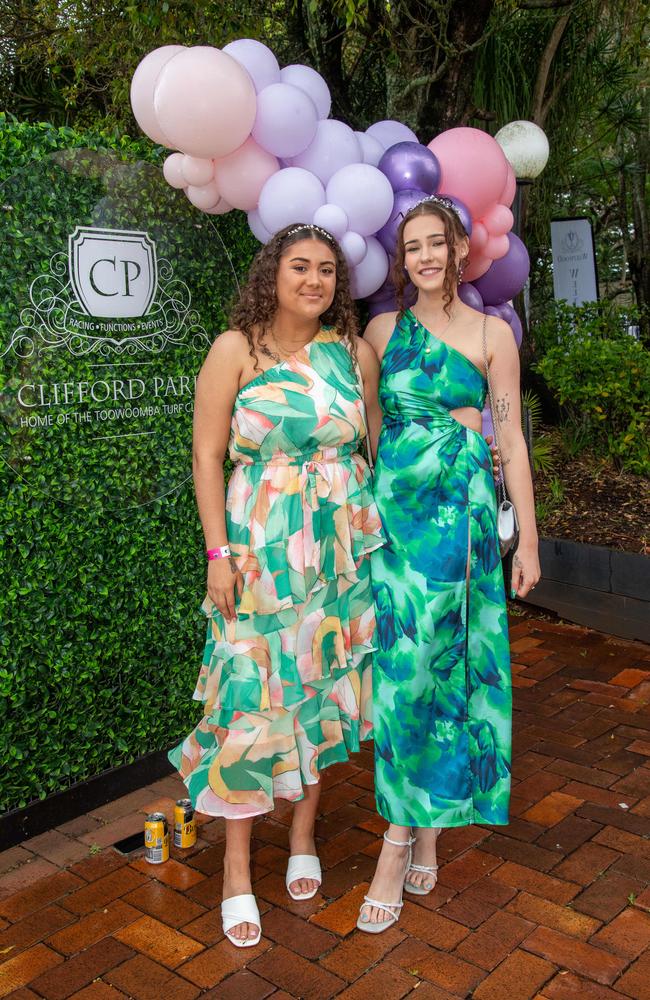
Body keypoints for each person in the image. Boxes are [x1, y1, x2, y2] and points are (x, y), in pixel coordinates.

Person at [169, 223, 385, 947]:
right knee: (248, 697)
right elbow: (205, 456)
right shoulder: (236, 349)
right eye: (300, 267)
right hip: (258, 554)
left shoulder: (355, 355)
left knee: (317, 692)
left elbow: (374, 449)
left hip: (337, 560)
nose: (315, 280)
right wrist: (215, 553)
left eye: (327, 270)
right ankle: (235, 870)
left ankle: (302, 835)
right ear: (274, 273)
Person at [357, 196, 540, 933]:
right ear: (402, 260)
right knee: (403, 676)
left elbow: (512, 438)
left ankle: (399, 840)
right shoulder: (379, 331)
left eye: (438, 243)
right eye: (414, 247)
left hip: (459, 526)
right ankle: (419, 825)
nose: (427, 256)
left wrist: (528, 538)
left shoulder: (494, 334)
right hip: (398, 525)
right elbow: (370, 433)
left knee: (441, 665)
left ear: (460, 251)